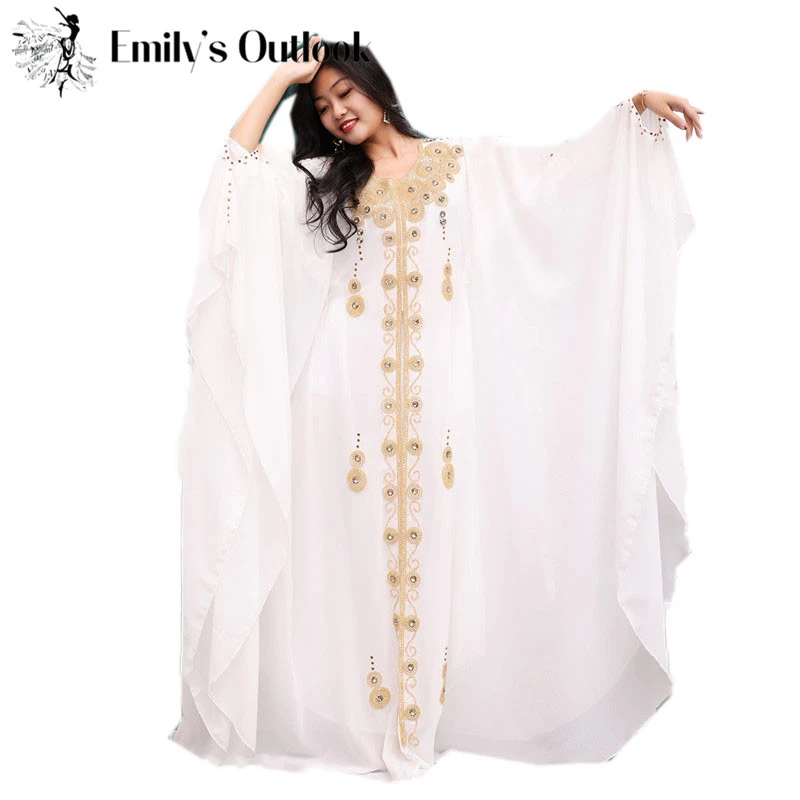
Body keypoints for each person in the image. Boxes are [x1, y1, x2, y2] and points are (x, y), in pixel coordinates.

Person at [168, 35, 703, 781]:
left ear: (375, 86)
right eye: (321, 107)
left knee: (438, 550)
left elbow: (561, 174)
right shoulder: (320, 188)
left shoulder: (462, 166)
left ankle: (417, 720)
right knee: (356, 557)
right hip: (346, 416)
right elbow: (235, 172)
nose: (336, 112)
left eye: (344, 93)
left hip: (439, 416)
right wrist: (283, 79)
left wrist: (633, 111)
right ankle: (373, 720)